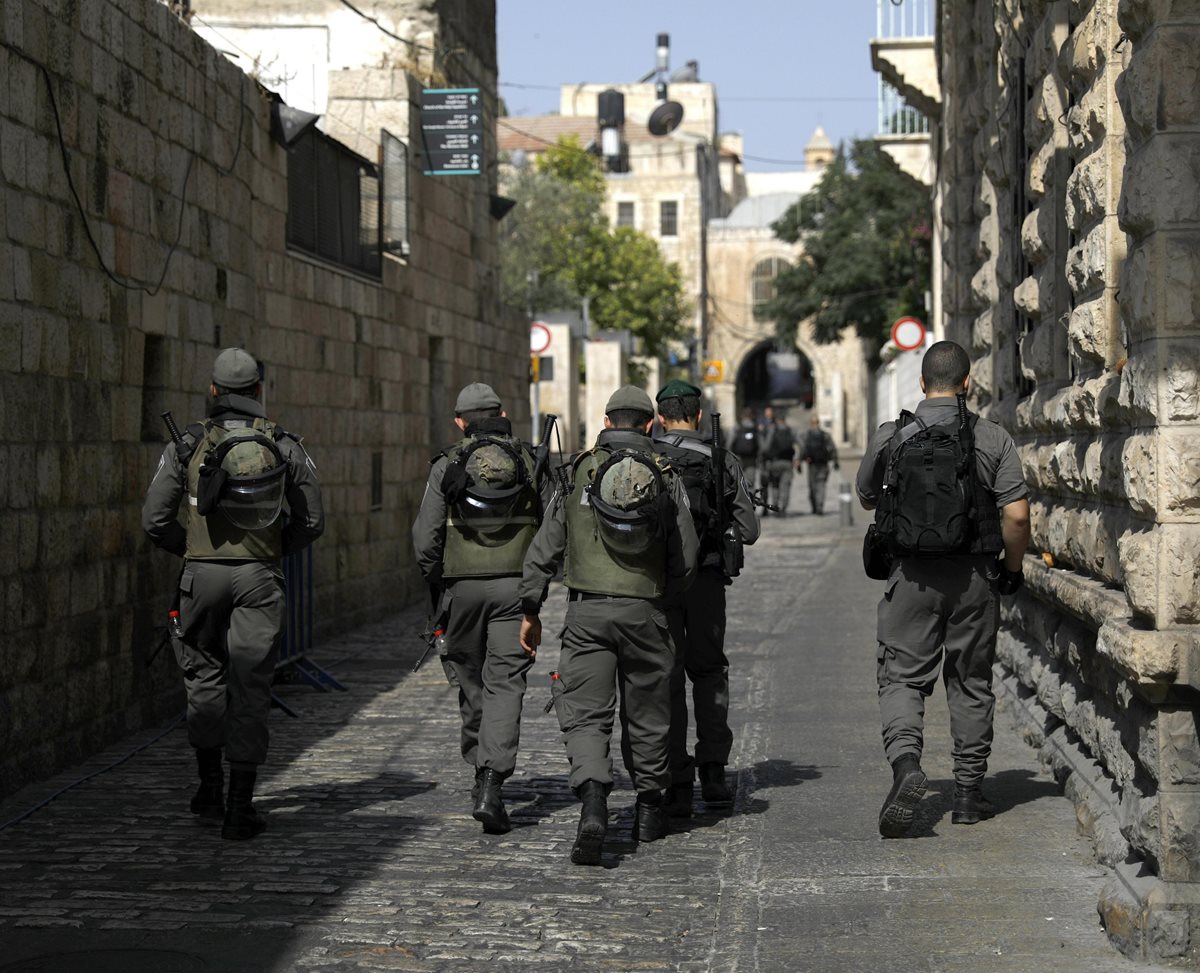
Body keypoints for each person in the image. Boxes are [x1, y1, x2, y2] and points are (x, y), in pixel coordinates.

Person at [142, 347, 324, 840]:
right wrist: (274, 549)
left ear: (214, 390)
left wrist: (192, 551)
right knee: (251, 683)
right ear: (259, 390)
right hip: (259, 576)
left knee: (203, 676)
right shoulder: (283, 444)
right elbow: (312, 520)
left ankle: (209, 790)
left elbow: (155, 519)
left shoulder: (187, 444)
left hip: (201, 576)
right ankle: (240, 808)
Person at [855, 340, 1030, 838]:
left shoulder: (892, 435)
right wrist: (1011, 570)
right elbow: (1017, 517)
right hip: (974, 578)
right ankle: (969, 794)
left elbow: (866, 497)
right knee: (971, 681)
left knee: (902, 679)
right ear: (967, 382)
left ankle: (907, 765)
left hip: (909, 578)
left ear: (921, 382)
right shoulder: (992, 437)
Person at [519, 385, 699, 866]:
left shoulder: (578, 472)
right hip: (647, 612)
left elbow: (544, 547)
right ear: (649, 425)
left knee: (584, 713)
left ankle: (595, 802)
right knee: (649, 713)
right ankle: (648, 811)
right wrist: (665, 598)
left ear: (605, 421)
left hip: (587, 613)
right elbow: (687, 555)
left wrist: (530, 607)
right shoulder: (664, 475)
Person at [411, 383, 550, 835]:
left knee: (471, 683)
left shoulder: (447, 464)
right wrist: (536, 589)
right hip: (515, 590)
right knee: (505, 685)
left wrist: (440, 581)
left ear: (459, 421)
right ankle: (492, 782)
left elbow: (425, 539)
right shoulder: (529, 460)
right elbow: (550, 531)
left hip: (461, 590)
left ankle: (479, 769)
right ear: (502, 414)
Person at [652, 381, 760, 818]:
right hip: (706, 582)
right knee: (710, 672)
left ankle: (676, 777)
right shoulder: (720, 459)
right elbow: (749, 529)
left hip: (658, 586)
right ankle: (713, 770)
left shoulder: (646, 459)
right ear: (698, 416)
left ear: (660, 418)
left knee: (668, 676)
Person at [799, 416, 839, 515]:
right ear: (818, 423)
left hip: (812, 465)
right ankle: (820, 506)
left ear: (811, 423)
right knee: (821, 485)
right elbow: (832, 448)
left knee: (812, 487)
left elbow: (802, 448)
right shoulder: (825, 435)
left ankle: (814, 507)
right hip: (823, 464)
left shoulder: (806, 435)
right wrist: (835, 461)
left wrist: (800, 460)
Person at [760, 409, 797, 515]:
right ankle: (783, 507)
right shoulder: (790, 430)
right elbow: (801, 445)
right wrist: (798, 458)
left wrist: (765, 457)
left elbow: (766, 448)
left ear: (776, 419)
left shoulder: (772, 430)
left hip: (774, 463)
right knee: (785, 486)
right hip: (788, 463)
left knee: (775, 485)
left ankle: (775, 506)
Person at [728, 408, 761, 487]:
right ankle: (750, 494)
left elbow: (729, 443)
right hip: (751, 460)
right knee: (750, 484)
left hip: (738, 458)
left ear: (742, 416)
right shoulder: (755, 428)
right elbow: (760, 444)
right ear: (751, 416)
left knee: (738, 483)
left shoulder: (737, 427)